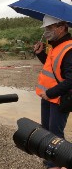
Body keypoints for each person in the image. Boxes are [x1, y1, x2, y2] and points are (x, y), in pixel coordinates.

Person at [34, 15, 72, 169]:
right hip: (48, 98)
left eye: (49, 28)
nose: (46, 31)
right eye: (45, 28)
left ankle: (57, 163)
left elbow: (70, 80)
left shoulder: (69, 49)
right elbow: (53, 69)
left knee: (56, 135)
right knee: (47, 132)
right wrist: (40, 54)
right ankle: (51, 158)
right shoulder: (54, 46)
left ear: (62, 27)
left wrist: (50, 93)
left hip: (59, 99)